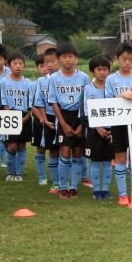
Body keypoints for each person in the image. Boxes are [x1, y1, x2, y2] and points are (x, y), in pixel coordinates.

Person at [105, 43, 132, 205]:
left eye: (131, 59)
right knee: (121, 157)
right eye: (124, 59)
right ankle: (122, 194)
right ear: (117, 59)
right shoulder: (111, 79)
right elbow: (107, 102)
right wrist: (122, 96)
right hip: (118, 124)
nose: (127, 62)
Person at [48, 42, 89, 198]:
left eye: (71, 56)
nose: (67, 60)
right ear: (58, 60)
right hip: (63, 116)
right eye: (64, 57)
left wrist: (81, 124)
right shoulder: (54, 78)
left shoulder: (83, 77)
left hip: (79, 116)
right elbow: (53, 102)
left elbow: (86, 101)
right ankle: (63, 186)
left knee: (78, 153)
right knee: (64, 153)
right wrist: (63, 124)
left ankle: (74, 187)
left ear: (76, 59)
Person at [81, 55, 114, 200]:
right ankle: (96, 190)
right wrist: (98, 128)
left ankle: (105, 190)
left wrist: (112, 128)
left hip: (111, 130)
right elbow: (86, 112)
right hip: (95, 131)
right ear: (92, 72)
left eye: (105, 69)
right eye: (99, 69)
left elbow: (118, 108)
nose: (102, 72)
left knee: (107, 161)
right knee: (95, 160)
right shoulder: (88, 89)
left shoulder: (112, 88)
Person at [32, 47, 61, 193]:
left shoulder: (66, 78)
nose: (48, 65)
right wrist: (44, 119)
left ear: (59, 61)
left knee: (68, 151)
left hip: (65, 118)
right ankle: (55, 182)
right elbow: (38, 103)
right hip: (49, 119)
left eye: (52, 61)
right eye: (45, 62)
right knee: (53, 150)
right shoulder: (40, 82)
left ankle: (69, 182)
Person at [0, 52, 32, 182]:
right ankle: (10, 172)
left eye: (20, 63)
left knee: (21, 145)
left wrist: (27, 117)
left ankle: (19, 173)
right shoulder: (4, 81)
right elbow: (3, 101)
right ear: (9, 65)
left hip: (24, 115)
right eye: (15, 63)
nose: (18, 66)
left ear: (24, 65)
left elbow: (31, 102)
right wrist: (9, 116)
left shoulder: (28, 82)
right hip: (10, 115)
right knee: (12, 146)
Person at [29, 53, 49, 185]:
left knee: (56, 149)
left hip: (54, 119)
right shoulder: (33, 85)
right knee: (40, 147)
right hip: (39, 120)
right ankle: (42, 175)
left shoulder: (55, 81)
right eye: (41, 66)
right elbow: (31, 105)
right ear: (37, 68)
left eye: (47, 65)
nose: (45, 68)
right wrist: (42, 118)